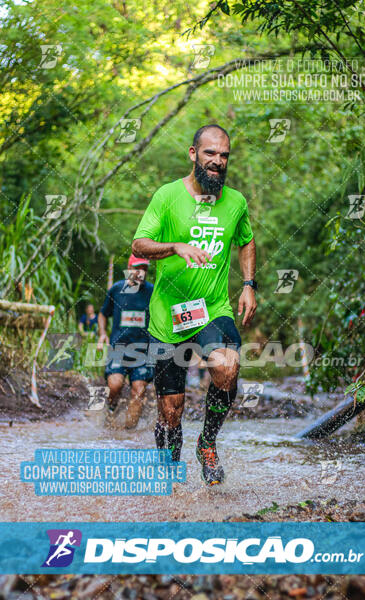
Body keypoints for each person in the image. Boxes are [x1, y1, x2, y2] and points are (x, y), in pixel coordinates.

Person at [132, 124, 257, 485]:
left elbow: (246, 241)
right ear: (193, 154)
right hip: (166, 319)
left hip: (212, 309)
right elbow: (140, 244)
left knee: (227, 365)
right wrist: (173, 246)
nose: (217, 162)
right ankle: (170, 477)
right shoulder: (168, 196)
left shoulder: (235, 202)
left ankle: (207, 442)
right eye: (209, 154)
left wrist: (248, 284)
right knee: (170, 414)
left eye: (224, 156)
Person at [97, 254, 154, 429]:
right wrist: (102, 334)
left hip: (143, 351)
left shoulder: (152, 291)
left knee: (139, 390)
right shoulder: (116, 290)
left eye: (144, 269)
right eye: (137, 269)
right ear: (129, 270)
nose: (141, 273)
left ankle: (128, 434)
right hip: (118, 348)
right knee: (115, 385)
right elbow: (102, 314)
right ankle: (111, 410)